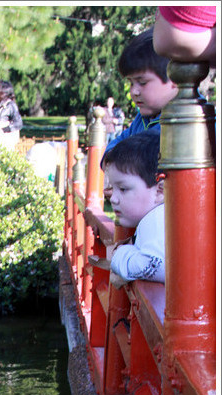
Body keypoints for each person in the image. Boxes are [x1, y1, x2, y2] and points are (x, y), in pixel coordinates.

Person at [92, 132, 165, 289]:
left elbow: (155, 266)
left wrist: (120, 256)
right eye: (113, 188)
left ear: (159, 191)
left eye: (123, 189)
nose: (113, 199)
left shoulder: (156, 220)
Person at [101, 27, 178, 160]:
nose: (134, 91)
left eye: (142, 82)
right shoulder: (142, 120)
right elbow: (111, 150)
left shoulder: (186, 121)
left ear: (175, 78)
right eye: (131, 83)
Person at [0, 80, 23, 149]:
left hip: (4, 143)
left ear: (3, 91)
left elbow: (18, 123)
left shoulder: (10, 105)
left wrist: (3, 129)